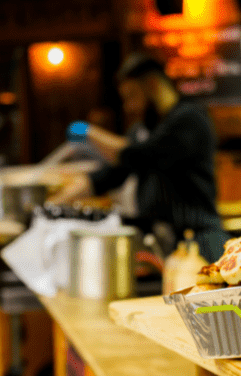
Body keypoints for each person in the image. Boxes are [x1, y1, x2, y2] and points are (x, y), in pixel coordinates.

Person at [50, 52, 229, 263]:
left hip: (200, 241)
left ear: (152, 84)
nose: (129, 107)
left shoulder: (189, 119)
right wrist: (56, 203)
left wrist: (88, 131)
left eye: (132, 96)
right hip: (164, 242)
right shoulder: (142, 129)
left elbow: (140, 155)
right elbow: (113, 174)